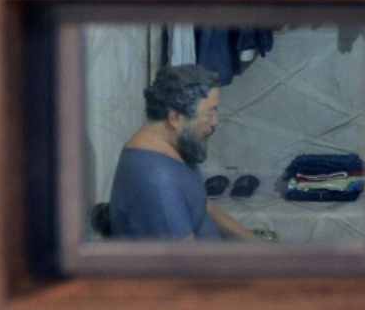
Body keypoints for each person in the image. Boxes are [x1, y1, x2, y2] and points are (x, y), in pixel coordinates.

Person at [107, 64, 258, 241]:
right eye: (209, 114)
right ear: (175, 118)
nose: (215, 122)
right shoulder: (159, 183)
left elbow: (203, 206)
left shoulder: (173, 147)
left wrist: (259, 246)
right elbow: (185, 266)